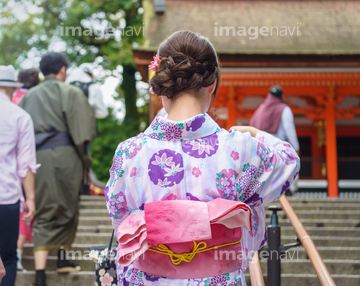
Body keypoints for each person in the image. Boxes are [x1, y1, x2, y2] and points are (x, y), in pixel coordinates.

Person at [105, 31, 300, 286]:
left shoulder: (129, 153)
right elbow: (290, 160)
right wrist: (255, 133)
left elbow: (120, 219)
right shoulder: (241, 149)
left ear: (163, 84)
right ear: (212, 85)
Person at [19, 53, 97, 286]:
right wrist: (86, 161)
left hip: (36, 158)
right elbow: (82, 132)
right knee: (68, 205)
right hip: (66, 156)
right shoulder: (71, 93)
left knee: (41, 210)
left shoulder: (29, 97)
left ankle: (40, 274)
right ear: (63, 70)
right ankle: (63, 259)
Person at [0, 65, 38, 286]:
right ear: (13, 89)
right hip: (7, 198)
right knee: (9, 258)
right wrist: (30, 199)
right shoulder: (20, 116)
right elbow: (25, 164)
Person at [10, 68, 41, 272]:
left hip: (7, 164)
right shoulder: (36, 98)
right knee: (26, 208)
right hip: (29, 158)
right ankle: (18, 251)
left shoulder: (11, 99)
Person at [250, 85, 300, 195]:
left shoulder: (260, 109)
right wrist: (296, 147)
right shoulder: (284, 109)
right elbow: (289, 130)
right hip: (278, 149)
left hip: (261, 149)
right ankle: (289, 192)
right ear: (282, 96)